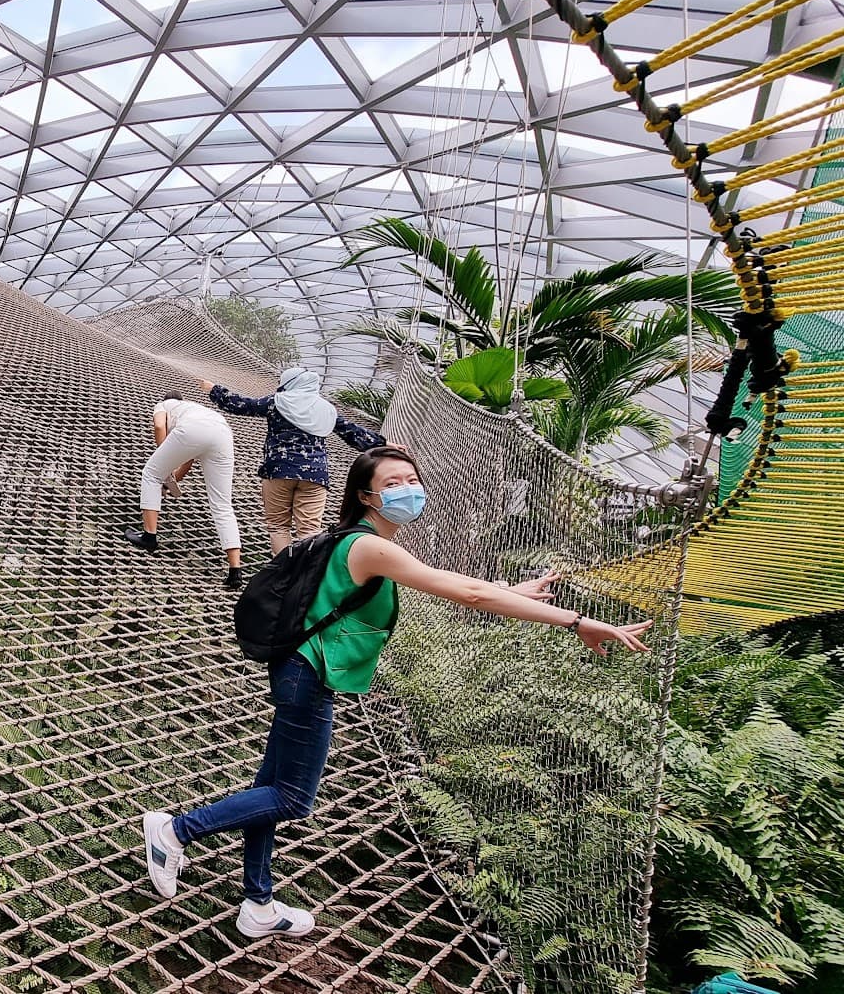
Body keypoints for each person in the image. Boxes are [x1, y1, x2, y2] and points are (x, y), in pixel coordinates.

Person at [139, 444, 652, 939]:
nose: (408, 490)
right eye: (392, 483)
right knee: (292, 797)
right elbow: (468, 591)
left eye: (412, 480)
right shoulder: (370, 545)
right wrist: (576, 620)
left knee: (269, 790)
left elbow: (452, 587)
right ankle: (176, 832)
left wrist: (512, 594)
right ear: (366, 496)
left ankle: (257, 902)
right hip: (309, 675)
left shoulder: (364, 542)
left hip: (301, 670)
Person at [203, 368, 386, 554]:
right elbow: (352, 432)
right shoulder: (327, 409)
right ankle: (307, 576)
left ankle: (283, 573)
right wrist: (385, 444)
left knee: (278, 526)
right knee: (310, 530)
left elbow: (242, 405)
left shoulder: (277, 402)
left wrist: (214, 389)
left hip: (279, 470)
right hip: (315, 475)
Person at [126, 391, 244, 588]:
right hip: (223, 433)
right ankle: (235, 571)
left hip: (194, 431)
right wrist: (171, 481)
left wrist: (161, 466)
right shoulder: (192, 409)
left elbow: (158, 425)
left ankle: (149, 536)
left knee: (150, 474)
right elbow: (187, 459)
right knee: (222, 505)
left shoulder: (163, 405)